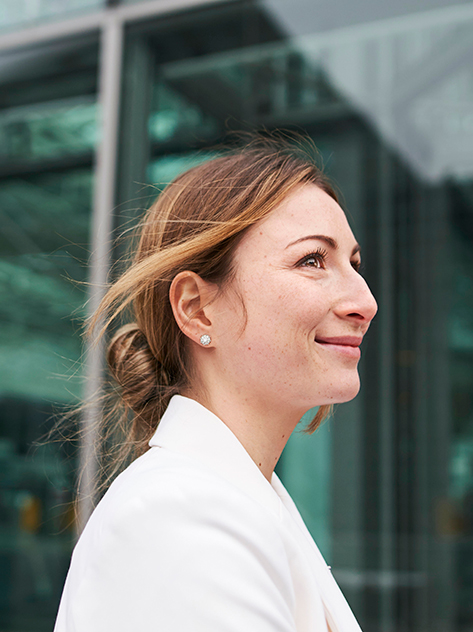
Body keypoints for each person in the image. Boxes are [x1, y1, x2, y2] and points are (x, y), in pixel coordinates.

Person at [54, 135, 377, 632]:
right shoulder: (178, 517)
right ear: (196, 308)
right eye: (312, 260)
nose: (364, 301)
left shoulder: (233, 499)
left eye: (353, 264)